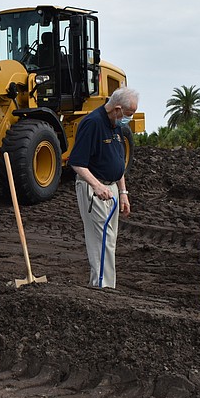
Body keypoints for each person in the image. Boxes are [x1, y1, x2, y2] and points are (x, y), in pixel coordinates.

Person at [67, 87, 138, 289]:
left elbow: (117, 163)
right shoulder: (92, 123)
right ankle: (102, 288)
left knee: (110, 240)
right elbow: (76, 162)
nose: (129, 119)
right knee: (101, 240)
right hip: (94, 190)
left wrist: (123, 192)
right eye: (128, 114)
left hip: (112, 189)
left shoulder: (115, 125)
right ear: (117, 109)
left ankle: (105, 286)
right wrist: (96, 185)